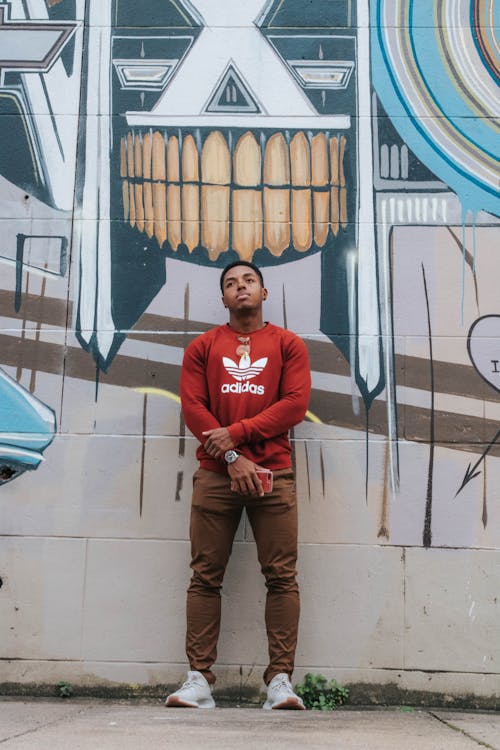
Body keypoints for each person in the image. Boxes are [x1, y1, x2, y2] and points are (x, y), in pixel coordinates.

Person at [165, 260, 311, 710]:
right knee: (205, 577)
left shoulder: (288, 344)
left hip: (274, 474)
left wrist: (238, 435)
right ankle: (198, 680)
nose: (240, 287)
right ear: (223, 298)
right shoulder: (202, 347)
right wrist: (230, 456)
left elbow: (294, 405)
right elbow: (193, 408)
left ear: (264, 293)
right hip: (216, 474)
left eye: (248, 280)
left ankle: (280, 681)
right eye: (230, 283)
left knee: (282, 578)